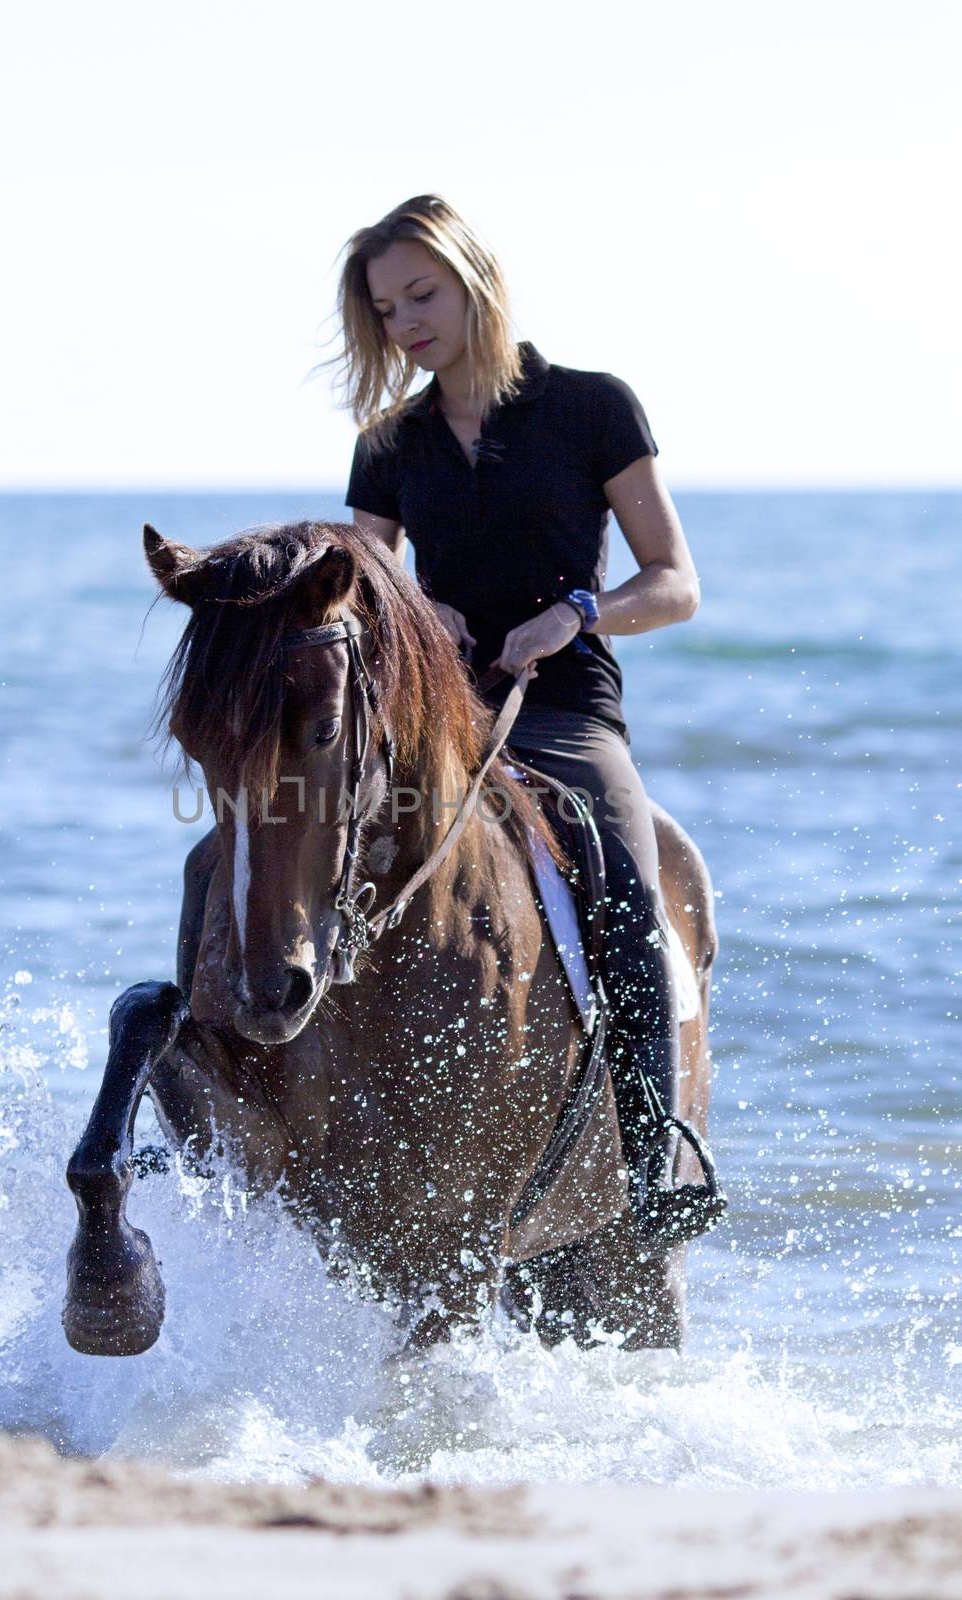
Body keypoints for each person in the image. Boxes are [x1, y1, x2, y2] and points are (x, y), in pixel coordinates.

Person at [334, 193, 723, 1245]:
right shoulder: (389, 441)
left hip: (563, 707)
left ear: (473, 281)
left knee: (628, 890)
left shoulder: (592, 407)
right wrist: (414, 608)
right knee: (298, 836)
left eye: (422, 292)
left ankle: (652, 1156)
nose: (405, 319)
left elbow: (675, 583)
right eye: (384, 306)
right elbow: (356, 585)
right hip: (433, 709)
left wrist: (575, 612)